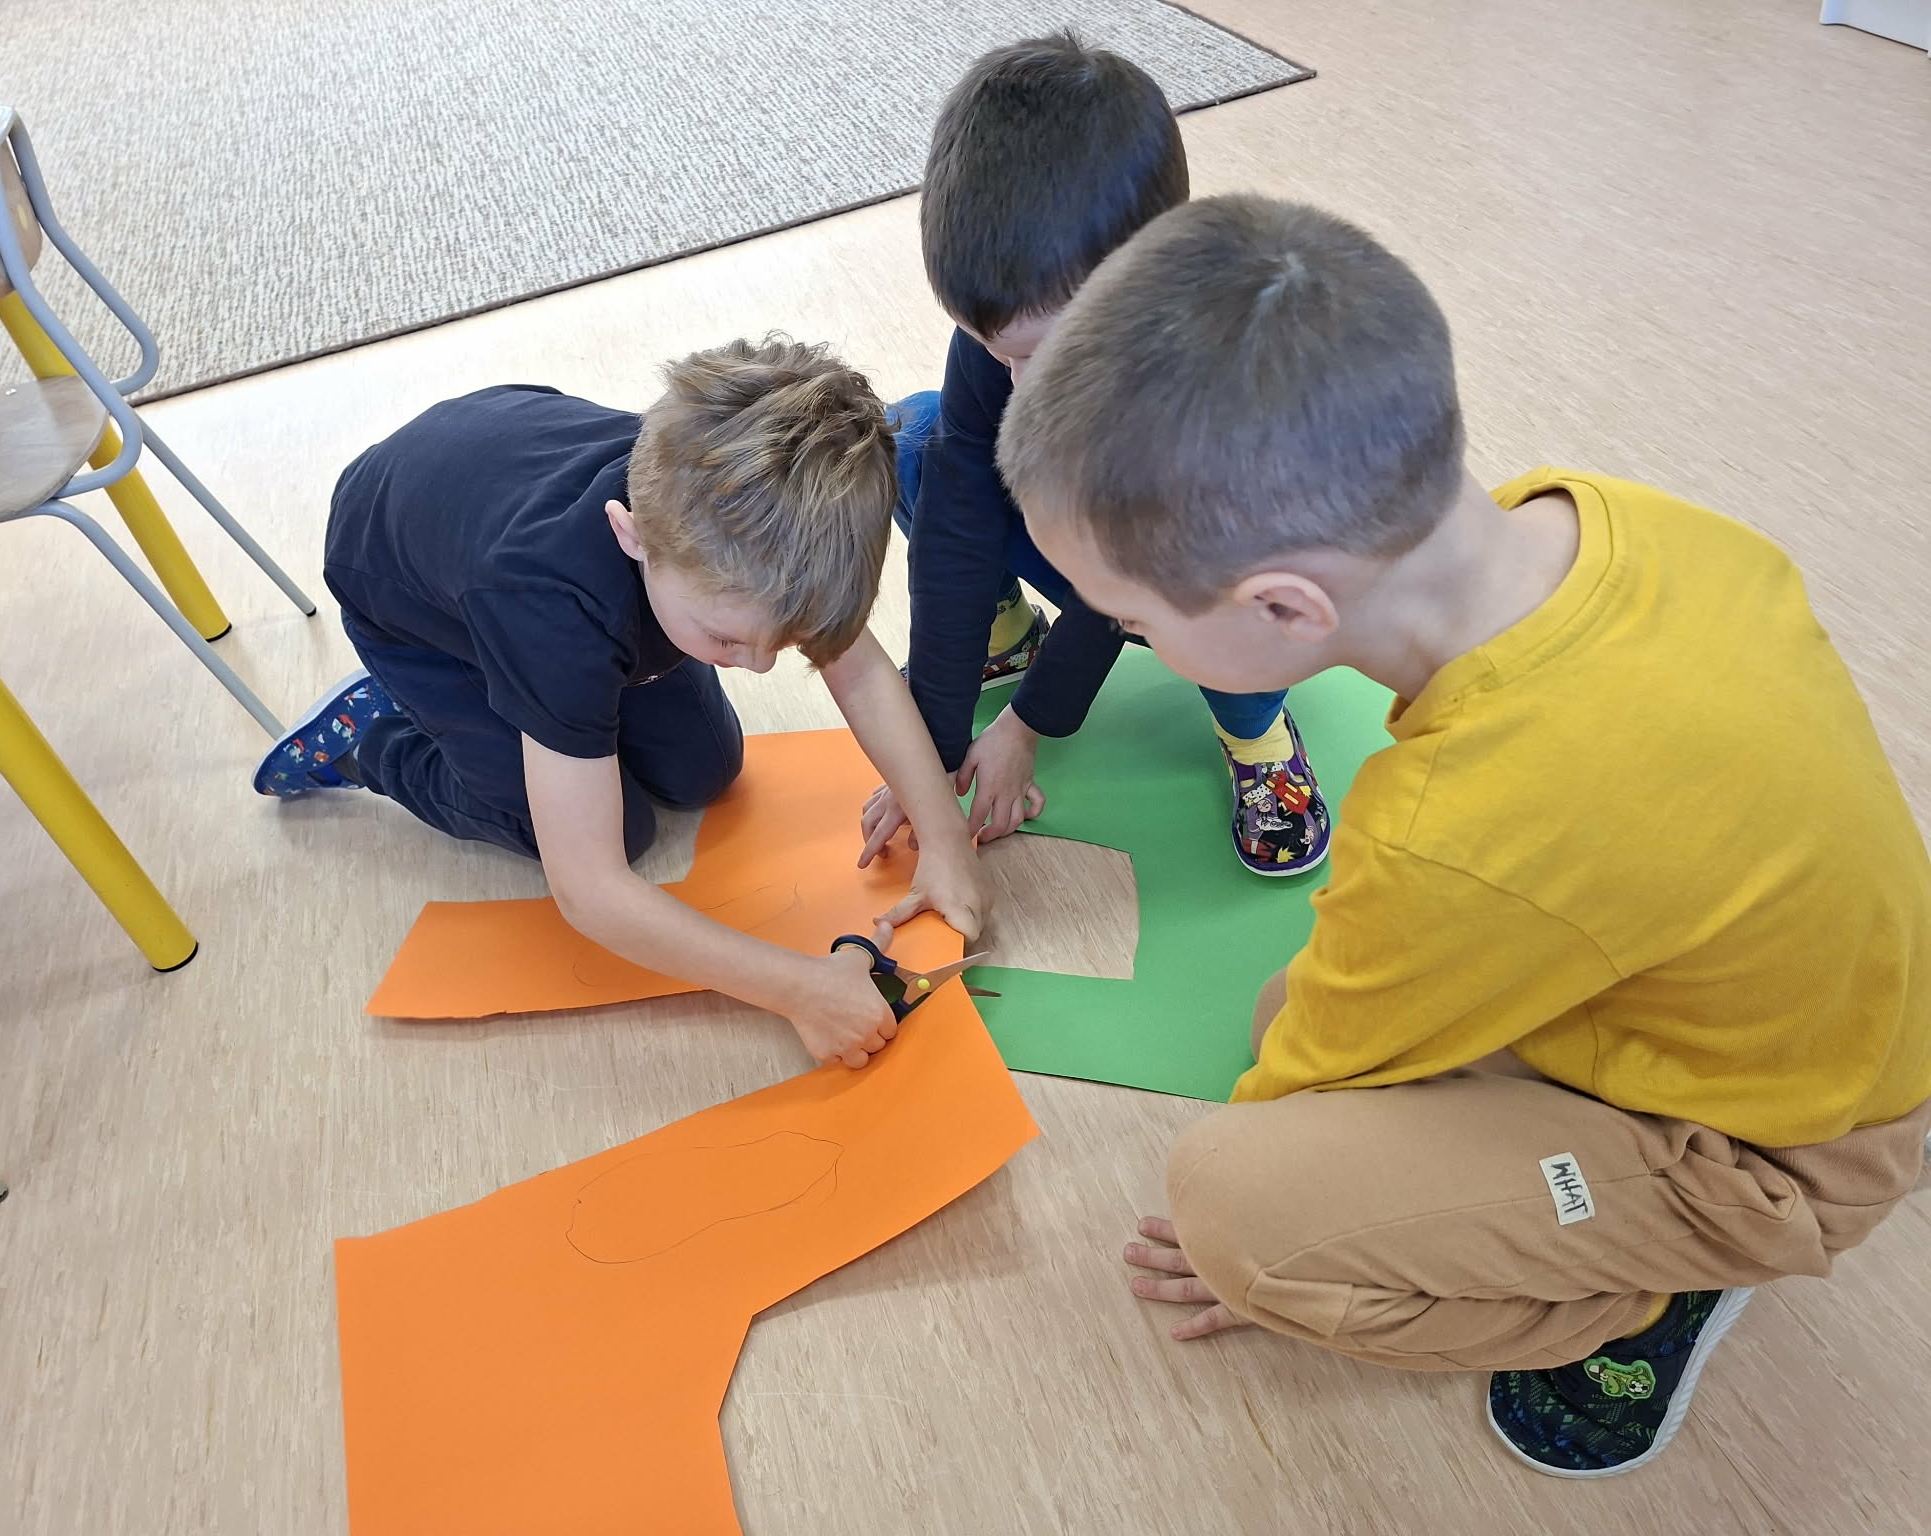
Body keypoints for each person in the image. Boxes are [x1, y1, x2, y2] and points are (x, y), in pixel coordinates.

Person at [996, 193, 1931, 1476]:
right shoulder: (1597, 512)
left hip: (1778, 1155)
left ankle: (1657, 1288)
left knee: (1234, 1205)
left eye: (1134, 622)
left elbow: (1296, 1098)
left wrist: (1281, 1251)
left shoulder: (1458, 824)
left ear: (1283, 608)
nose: (1135, 643)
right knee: (1284, 1012)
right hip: (1775, 1010)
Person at [254, 338, 986, 1069]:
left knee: (707, 771)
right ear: (633, 537)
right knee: (619, 833)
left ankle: (583, 694)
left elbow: (860, 673)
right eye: (728, 640)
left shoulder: (737, 526)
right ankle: (372, 742)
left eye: (786, 640)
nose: (761, 665)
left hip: (495, 498)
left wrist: (944, 839)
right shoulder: (551, 612)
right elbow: (590, 892)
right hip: (413, 607)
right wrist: (799, 990)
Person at [861, 33, 1332, 877]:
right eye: (991, 348)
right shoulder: (1024, 322)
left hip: (1201, 568)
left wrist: (1027, 725)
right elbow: (960, 514)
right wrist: (932, 747)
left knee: (1239, 587)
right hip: (1084, 535)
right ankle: (1008, 637)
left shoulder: (1212, 388)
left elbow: (1131, 575)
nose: (1014, 378)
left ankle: (1259, 740)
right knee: (919, 440)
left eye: (1037, 355)